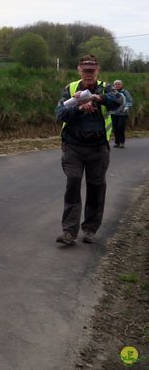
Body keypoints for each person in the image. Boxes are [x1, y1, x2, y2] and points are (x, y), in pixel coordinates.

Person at [54, 54, 123, 246]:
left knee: (96, 187)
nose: (89, 75)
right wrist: (79, 107)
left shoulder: (106, 88)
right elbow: (60, 114)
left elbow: (119, 102)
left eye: (92, 71)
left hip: (98, 148)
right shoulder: (71, 88)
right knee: (73, 183)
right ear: (79, 70)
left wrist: (97, 98)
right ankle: (69, 232)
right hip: (73, 147)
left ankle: (90, 230)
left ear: (98, 70)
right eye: (85, 71)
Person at [111, 79, 133, 148]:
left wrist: (126, 107)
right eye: (116, 84)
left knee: (120, 127)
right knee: (115, 128)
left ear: (121, 85)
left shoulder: (125, 92)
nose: (117, 85)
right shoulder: (112, 92)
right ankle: (116, 142)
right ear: (114, 85)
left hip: (123, 113)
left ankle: (122, 142)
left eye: (119, 84)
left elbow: (130, 101)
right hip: (114, 112)